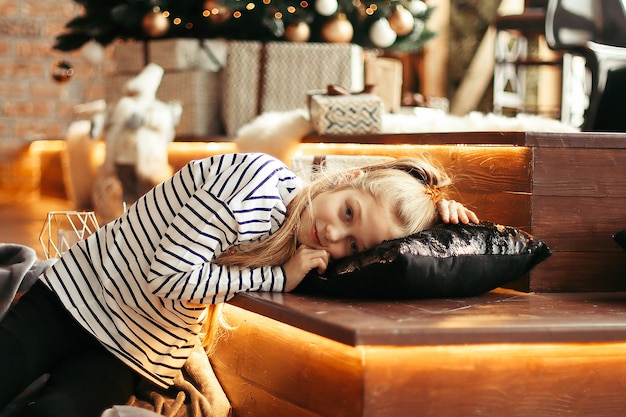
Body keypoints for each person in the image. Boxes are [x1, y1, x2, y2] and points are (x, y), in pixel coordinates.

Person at [0, 152, 478, 417]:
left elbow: (399, 263)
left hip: (136, 352)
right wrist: (279, 277)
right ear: (345, 179)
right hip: (73, 298)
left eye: (353, 245)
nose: (335, 234)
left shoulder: (311, 248)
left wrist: (448, 226)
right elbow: (169, 278)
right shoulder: (252, 185)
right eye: (347, 212)